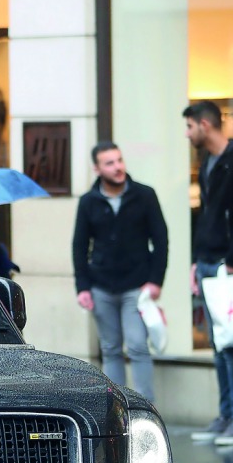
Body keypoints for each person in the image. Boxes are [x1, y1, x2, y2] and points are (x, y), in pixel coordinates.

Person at [72, 141, 168, 404]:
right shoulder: (88, 202)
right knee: (111, 348)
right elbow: (80, 246)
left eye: (119, 160)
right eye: (110, 163)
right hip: (101, 286)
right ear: (97, 169)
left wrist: (155, 281)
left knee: (137, 345)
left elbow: (161, 240)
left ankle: (145, 407)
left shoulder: (144, 195)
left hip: (136, 286)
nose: (117, 167)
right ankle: (118, 410)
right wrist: (83, 287)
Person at [186, 100, 233, 442]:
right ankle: (225, 414)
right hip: (208, 261)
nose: (187, 134)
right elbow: (206, 216)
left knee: (232, 341)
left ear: (204, 125)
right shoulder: (207, 162)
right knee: (217, 342)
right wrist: (196, 260)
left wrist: (232, 260)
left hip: (227, 264)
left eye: (189, 127)